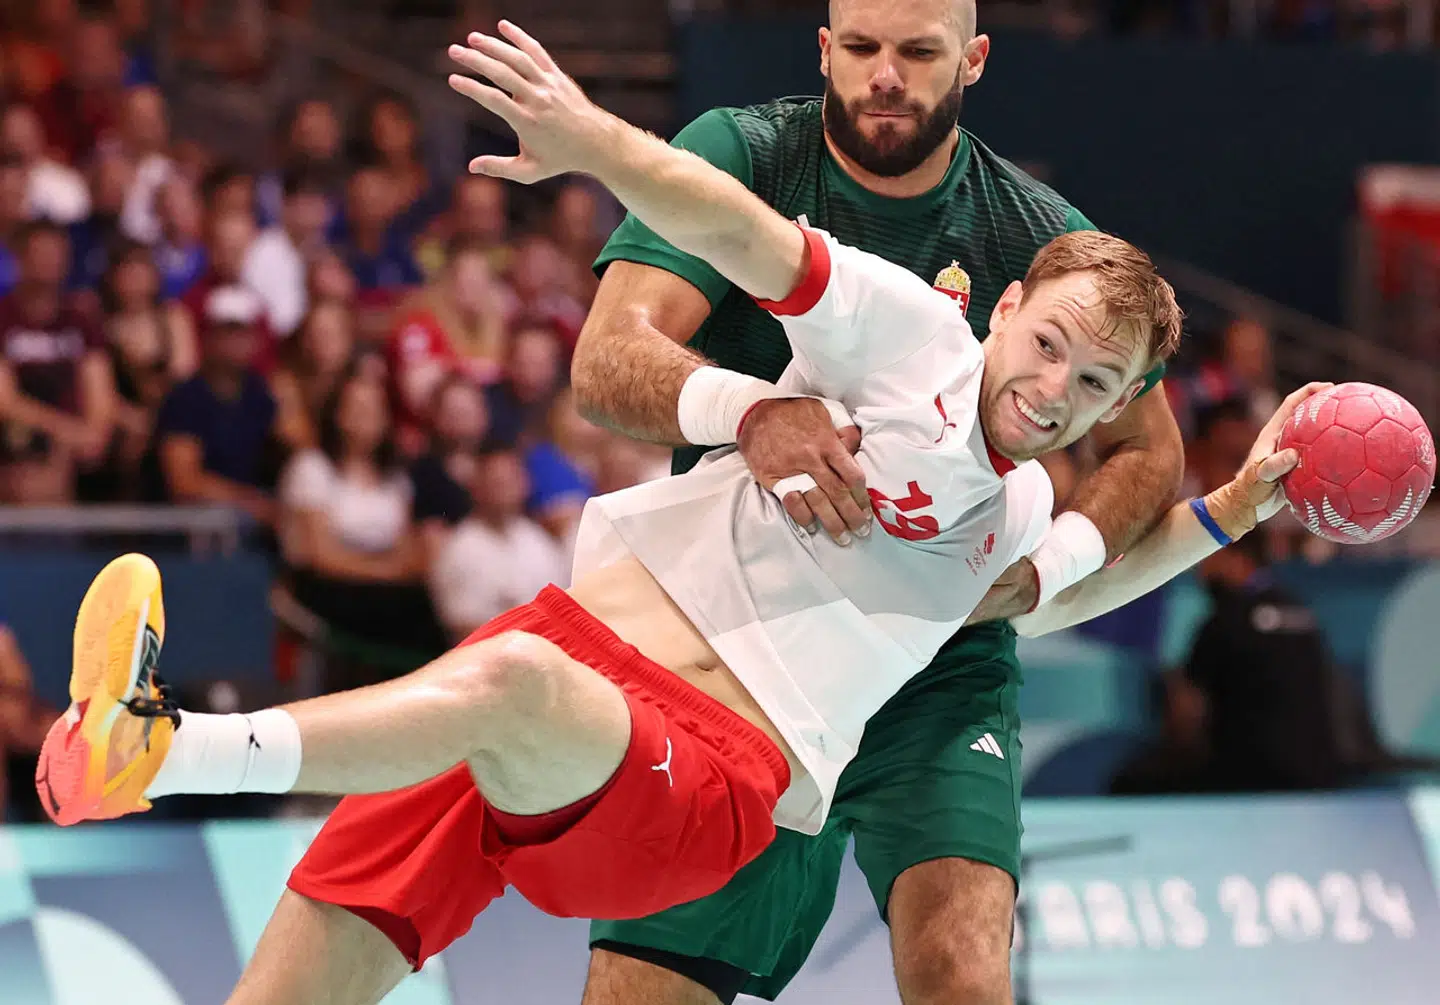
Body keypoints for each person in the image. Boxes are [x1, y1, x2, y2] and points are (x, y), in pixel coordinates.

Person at [37, 27, 1307, 1005]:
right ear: (1008, 302)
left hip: (710, 778)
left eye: (1093, 387)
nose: (1050, 392)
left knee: (509, 688)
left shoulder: (1021, 510)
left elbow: (1081, 583)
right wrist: (592, 141)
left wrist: (1239, 507)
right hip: (587, 646)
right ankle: (134, 755)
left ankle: (163, 751)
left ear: (1124, 402)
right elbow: (741, 232)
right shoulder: (905, 330)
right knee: (314, 949)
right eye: (1047, 347)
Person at [569, 0, 1187, 999]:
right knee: (647, 989)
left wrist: (1038, 575)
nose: (885, 75)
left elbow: (1149, 454)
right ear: (824, 49)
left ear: (974, 60)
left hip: (938, 664)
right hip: (745, 642)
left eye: (917, 52)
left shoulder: (1039, 238)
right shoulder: (744, 154)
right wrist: (754, 414)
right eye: (859, 49)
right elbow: (606, 362)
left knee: (963, 975)